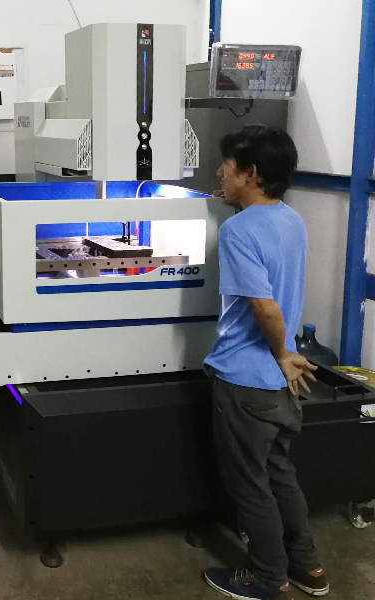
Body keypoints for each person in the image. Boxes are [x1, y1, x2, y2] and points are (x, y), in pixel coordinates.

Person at [202, 125, 327, 600]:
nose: (219, 171)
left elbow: (264, 307)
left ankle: (267, 577)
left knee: (250, 487)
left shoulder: (237, 231)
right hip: (280, 384)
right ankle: (308, 567)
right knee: (280, 474)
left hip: (246, 380)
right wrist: (287, 357)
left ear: (251, 173)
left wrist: (280, 352)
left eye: (227, 165)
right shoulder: (291, 220)